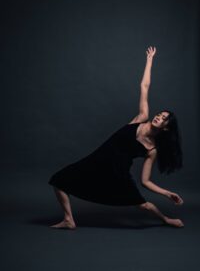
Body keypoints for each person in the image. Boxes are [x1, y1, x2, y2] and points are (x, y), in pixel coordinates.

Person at [48, 46, 184, 229]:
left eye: (164, 118)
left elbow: (146, 181)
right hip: (97, 161)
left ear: (166, 128)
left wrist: (167, 193)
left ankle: (166, 219)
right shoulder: (141, 117)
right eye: (160, 114)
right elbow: (144, 86)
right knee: (58, 180)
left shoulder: (151, 149)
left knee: (142, 204)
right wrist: (150, 60)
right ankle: (68, 219)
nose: (159, 116)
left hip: (118, 174)